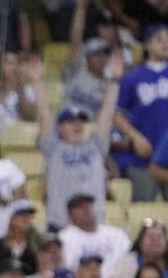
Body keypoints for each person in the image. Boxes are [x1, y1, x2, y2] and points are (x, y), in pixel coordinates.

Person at [31, 56, 120, 231]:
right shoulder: (53, 148)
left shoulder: (96, 145)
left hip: (95, 226)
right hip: (61, 225)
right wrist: (37, 82)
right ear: (60, 127)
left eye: (80, 121)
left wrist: (115, 81)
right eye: (71, 121)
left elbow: (107, 114)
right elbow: (43, 115)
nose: (77, 124)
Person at [114, 25, 168, 201]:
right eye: (159, 39)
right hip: (143, 158)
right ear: (147, 44)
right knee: (145, 210)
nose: (165, 43)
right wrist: (136, 137)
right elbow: (116, 114)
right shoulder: (133, 77)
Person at [56, 195, 131, 278]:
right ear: (70, 214)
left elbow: (129, 260)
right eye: (80, 207)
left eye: (88, 205)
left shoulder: (117, 234)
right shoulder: (64, 238)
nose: (86, 210)